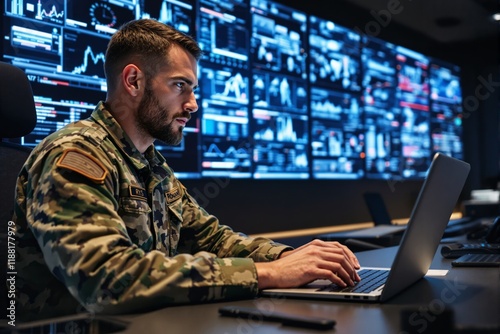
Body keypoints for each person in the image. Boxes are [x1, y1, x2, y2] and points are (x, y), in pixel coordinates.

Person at [13, 18, 360, 322]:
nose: (193, 105)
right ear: (133, 81)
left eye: (193, 89)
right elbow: (107, 280)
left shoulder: (151, 165)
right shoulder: (74, 155)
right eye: (180, 85)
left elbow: (212, 239)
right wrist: (267, 273)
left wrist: (295, 258)